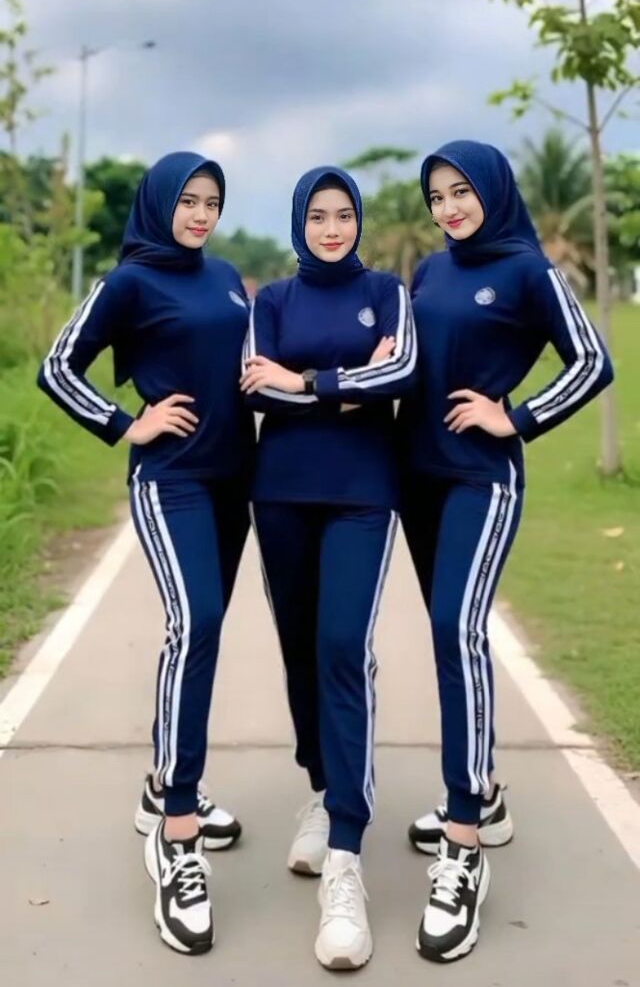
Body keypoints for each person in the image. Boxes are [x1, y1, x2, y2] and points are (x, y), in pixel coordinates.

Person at [397, 140, 613, 964]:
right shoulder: (428, 271)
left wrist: (514, 416)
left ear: (492, 189)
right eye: (436, 196)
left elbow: (592, 360)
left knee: (457, 630)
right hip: (416, 478)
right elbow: (406, 360)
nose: (449, 207)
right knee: (449, 637)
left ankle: (464, 842)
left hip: (482, 478)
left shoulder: (529, 270)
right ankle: (482, 791)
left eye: (461, 191)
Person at [37, 152, 256, 956]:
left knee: (204, 634)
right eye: (188, 200)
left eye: (212, 202)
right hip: (172, 481)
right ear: (160, 202)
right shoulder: (128, 282)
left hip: (236, 482)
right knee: (194, 624)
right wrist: (128, 423)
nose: (200, 214)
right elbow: (57, 367)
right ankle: (177, 828)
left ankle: (165, 780)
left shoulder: (226, 277)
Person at [240, 165, 416, 970]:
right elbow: (255, 390)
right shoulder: (272, 301)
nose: (333, 227)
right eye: (318, 215)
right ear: (298, 223)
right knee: (300, 652)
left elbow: (401, 374)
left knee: (343, 646)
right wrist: (350, 388)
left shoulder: (388, 292)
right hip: (280, 492)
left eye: (344, 214)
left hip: (361, 493)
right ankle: (321, 786)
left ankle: (346, 848)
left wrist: (306, 380)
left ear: (359, 221)